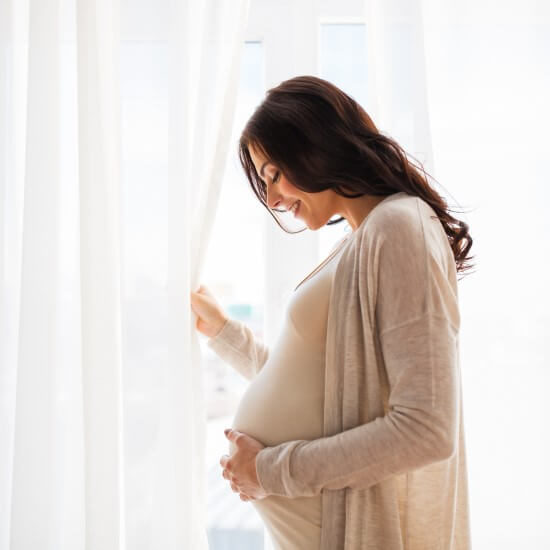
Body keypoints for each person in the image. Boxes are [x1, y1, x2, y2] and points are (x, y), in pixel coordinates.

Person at [190, 75, 474, 550]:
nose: (274, 200)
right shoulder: (364, 240)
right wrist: (222, 333)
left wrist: (268, 471)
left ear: (315, 144)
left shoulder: (400, 227)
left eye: (274, 174)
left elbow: (427, 430)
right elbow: (325, 391)